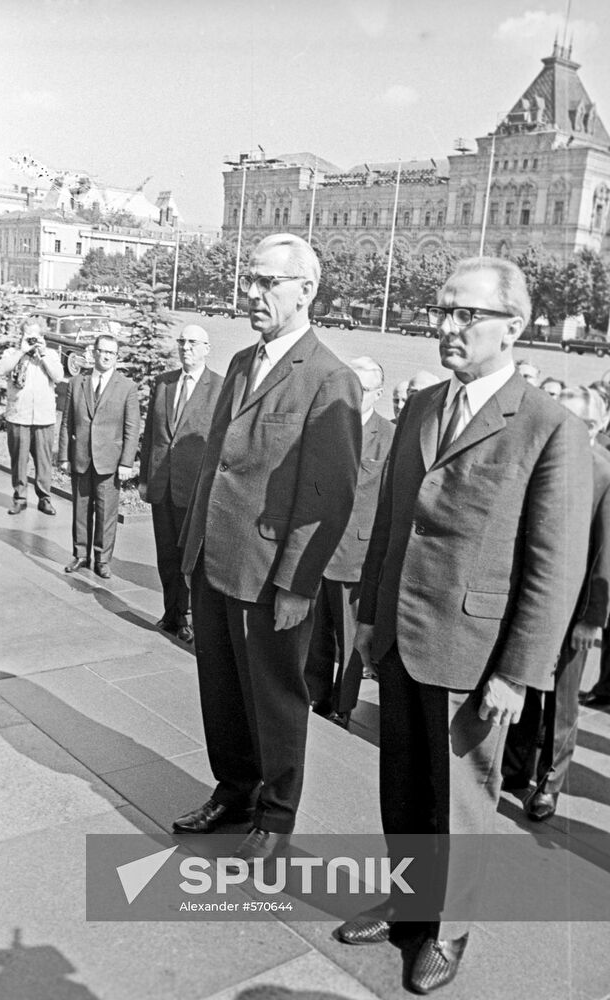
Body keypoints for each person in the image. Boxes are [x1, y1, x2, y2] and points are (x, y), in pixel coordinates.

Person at [336, 257, 592, 994]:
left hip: (478, 654)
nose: (447, 327)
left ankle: (446, 933)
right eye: (442, 311)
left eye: (466, 315)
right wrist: (366, 619)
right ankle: (409, 903)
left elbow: (554, 565)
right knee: (406, 788)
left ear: (513, 326)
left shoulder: (550, 429)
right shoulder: (423, 407)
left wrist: (519, 671)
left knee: (463, 804)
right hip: (400, 634)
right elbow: (393, 524)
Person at [175, 233, 362, 865]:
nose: (251, 293)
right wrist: (192, 546)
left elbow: (327, 498)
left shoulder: (330, 378)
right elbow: (217, 468)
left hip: (271, 574)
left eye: (267, 283)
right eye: (249, 280)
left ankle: (276, 815)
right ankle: (233, 790)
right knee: (221, 689)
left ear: (306, 290)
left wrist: (297, 584)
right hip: (216, 559)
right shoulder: (239, 363)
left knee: (277, 699)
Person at [503, 386, 610, 818]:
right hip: (532, 599)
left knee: (562, 701)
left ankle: (550, 783)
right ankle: (513, 770)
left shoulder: (603, 472)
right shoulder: (543, 455)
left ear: (600, 426)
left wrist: (591, 618)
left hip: (575, 609)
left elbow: (605, 554)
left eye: (585, 423)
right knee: (522, 682)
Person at [305, 356, 394, 727]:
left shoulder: (389, 436)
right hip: (314, 548)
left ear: (379, 392)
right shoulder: (326, 427)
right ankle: (316, 696)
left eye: (364, 389)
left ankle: (344, 705)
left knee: (350, 636)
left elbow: (389, 502)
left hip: (356, 553)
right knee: (314, 634)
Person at [138, 325, 223, 643]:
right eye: (182, 342)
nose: (185, 347)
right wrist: (145, 478)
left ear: (206, 348)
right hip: (162, 486)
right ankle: (171, 614)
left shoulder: (219, 387)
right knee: (166, 556)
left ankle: (187, 619)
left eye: (192, 343)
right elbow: (150, 436)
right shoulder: (163, 383)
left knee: (188, 557)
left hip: (194, 490)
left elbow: (221, 442)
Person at [58, 334, 139, 580]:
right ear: (93, 352)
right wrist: (64, 456)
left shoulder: (127, 387)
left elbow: (131, 428)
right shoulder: (76, 383)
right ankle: (81, 554)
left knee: (106, 512)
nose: (105, 356)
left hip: (110, 462)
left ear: (116, 357)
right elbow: (66, 423)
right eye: (101, 351)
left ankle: (102, 559)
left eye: (111, 353)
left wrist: (126, 462)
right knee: (81, 509)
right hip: (81, 457)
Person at [0, 321, 64, 515]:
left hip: (44, 417)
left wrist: (42, 354)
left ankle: (44, 498)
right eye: (28, 335)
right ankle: (20, 498)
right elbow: (2, 369)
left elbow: (58, 376)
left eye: (36, 336)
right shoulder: (12, 353)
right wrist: (21, 351)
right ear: (22, 335)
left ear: (43, 337)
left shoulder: (50, 354)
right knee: (18, 460)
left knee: (44, 461)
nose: (33, 340)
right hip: (19, 415)